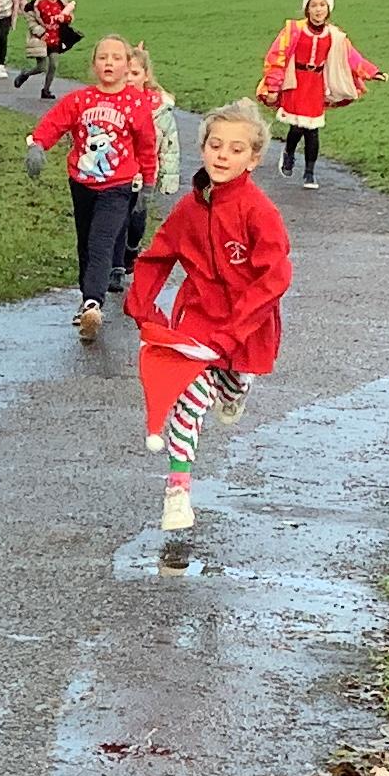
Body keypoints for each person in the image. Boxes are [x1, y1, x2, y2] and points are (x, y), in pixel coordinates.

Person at [126, 102, 291, 535]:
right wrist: (141, 306)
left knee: (230, 386)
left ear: (253, 159)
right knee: (190, 398)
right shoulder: (188, 209)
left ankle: (236, 389)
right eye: (215, 145)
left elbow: (274, 277)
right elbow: (157, 256)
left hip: (248, 324)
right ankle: (177, 492)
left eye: (236, 149)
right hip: (197, 320)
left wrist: (235, 331)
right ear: (203, 149)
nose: (223, 155)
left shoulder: (260, 212)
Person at [25, 35, 159, 342]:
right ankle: (87, 300)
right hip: (82, 183)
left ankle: (93, 303)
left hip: (118, 186)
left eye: (116, 58)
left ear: (128, 65)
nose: (109, 63)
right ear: (94, 64)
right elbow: (54, 123)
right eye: (103, 57)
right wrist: (38, 145)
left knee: (101, 241)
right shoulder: (80, 99)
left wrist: (148, 184)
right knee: (85, 242)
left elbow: (146, 146)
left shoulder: (136, 103)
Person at [257, 0, 380, 185]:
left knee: (312, 130)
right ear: (307, 8)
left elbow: (351, 57)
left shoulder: (335, 35)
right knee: (297, 127)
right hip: (296, 83)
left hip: (316, 85)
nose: (318, 9)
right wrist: (273, 86)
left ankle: (309, 173)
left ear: (328, 9)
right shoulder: (293, 30)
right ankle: (289, 153)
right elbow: (277, 56)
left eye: (322, 5)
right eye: (314, 5)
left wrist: (372, 72)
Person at [123, 43, 179, 258]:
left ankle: (131, 250)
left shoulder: (159, 110)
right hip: (117, 172)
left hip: (145, 175)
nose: (129, 79)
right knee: (117, 217)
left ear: (146, 76)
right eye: (125, 73)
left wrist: (168, 178)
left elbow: (169, 145)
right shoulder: (113, 103)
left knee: (137, 217)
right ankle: (116, 261)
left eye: (135, 73)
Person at [27, 0, 77, 99]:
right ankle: (25, 74)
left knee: (53, 64)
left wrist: (64, 18)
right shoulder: (39, 4)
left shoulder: (62, 3)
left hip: (55, 39)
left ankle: (46, 90)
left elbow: (70, 17)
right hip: (42, 40)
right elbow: (31, 21)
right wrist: (40, 32)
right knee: (41, 67)